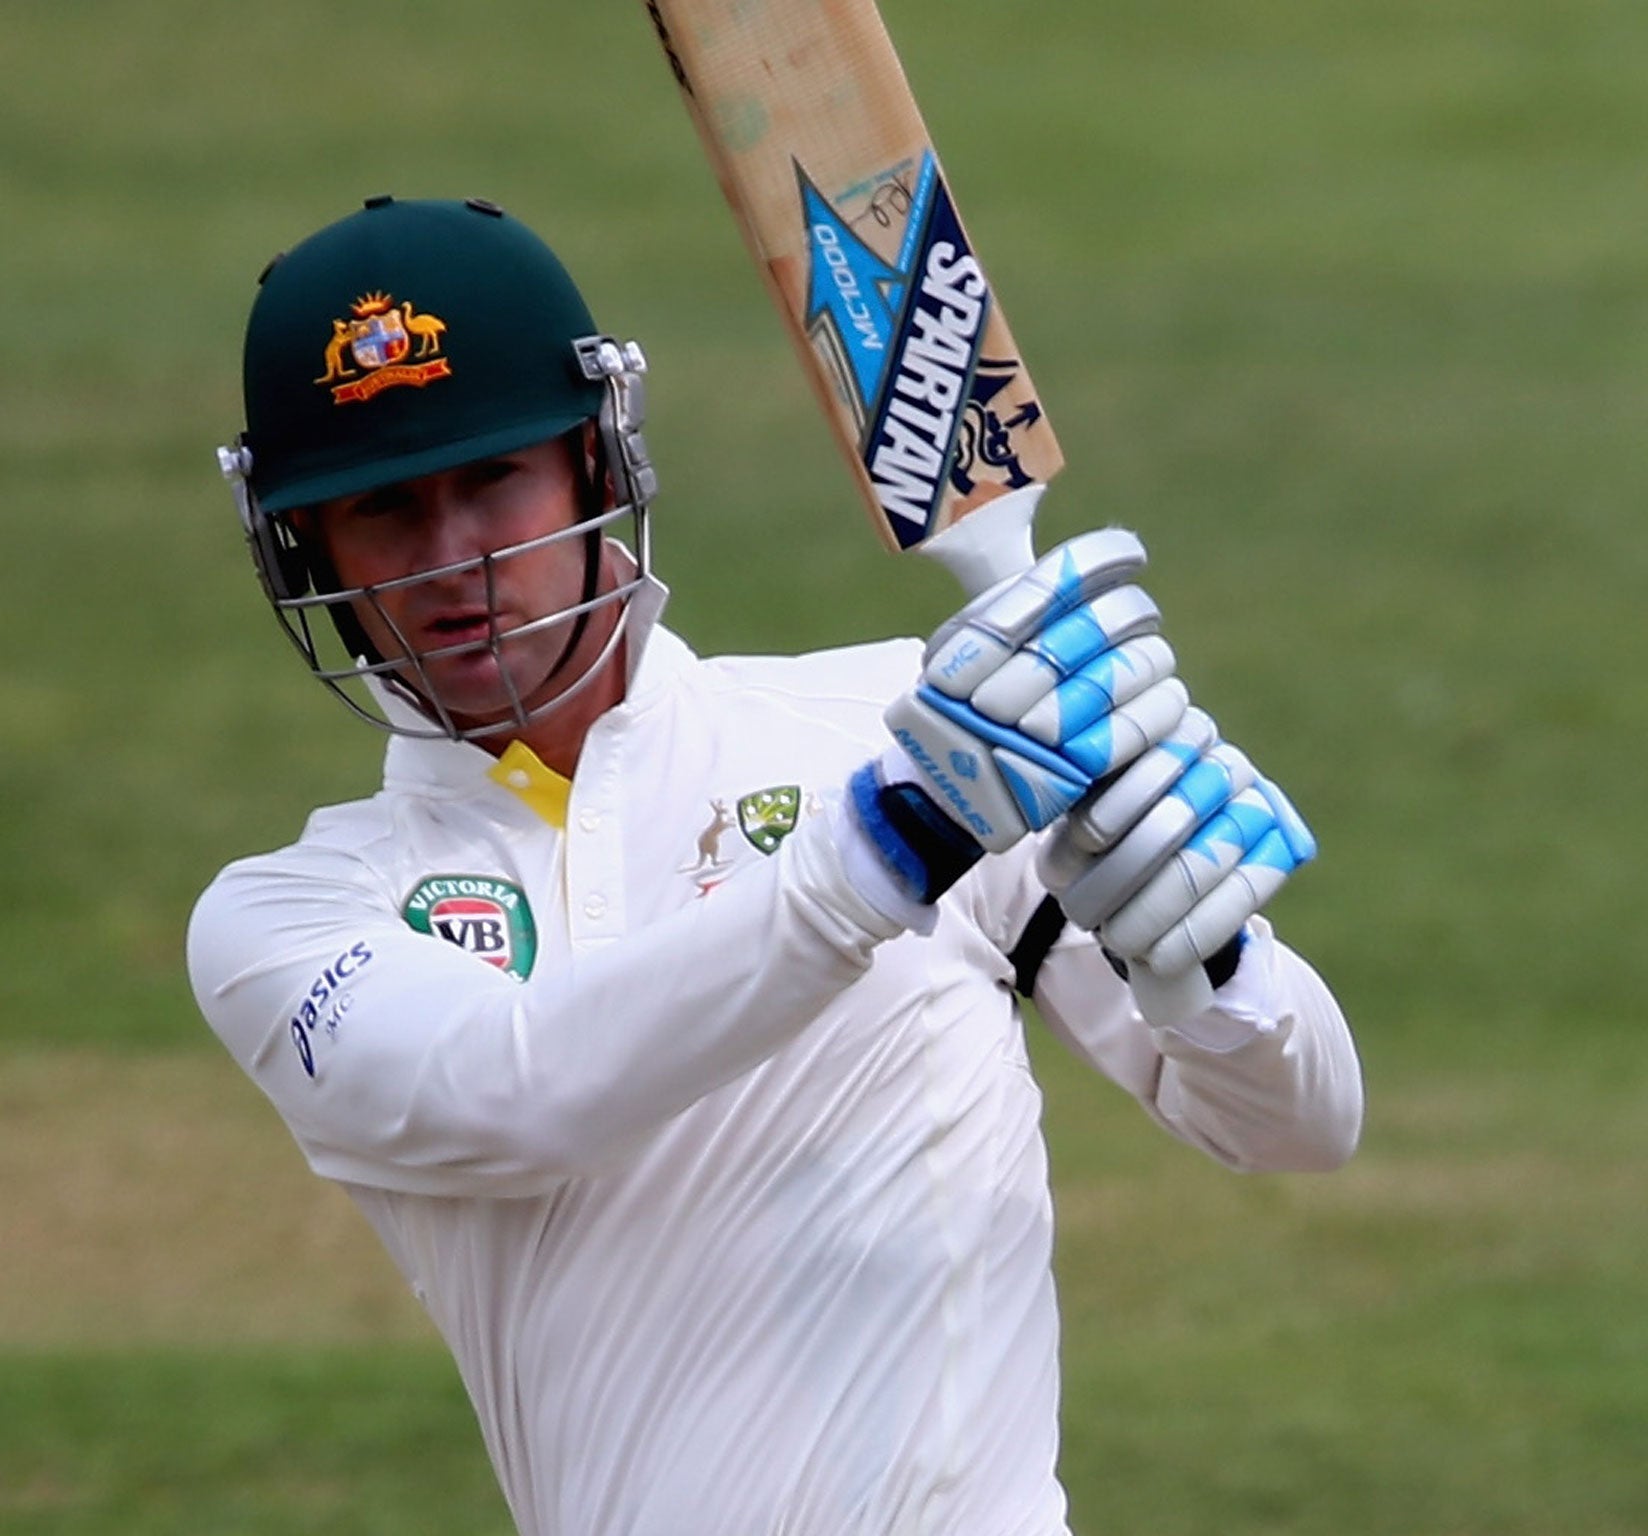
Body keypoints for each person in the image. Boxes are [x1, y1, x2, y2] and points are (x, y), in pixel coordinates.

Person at [188, 194, 1362, 1536]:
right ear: (308, 549)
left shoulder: (896, 723)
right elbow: (520, 1091)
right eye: (384, 510)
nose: (458, 562)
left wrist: (1194, 938)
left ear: (593, 462)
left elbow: (1298, 1124)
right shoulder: (290, 921)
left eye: (493, 481)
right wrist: (880, 852)